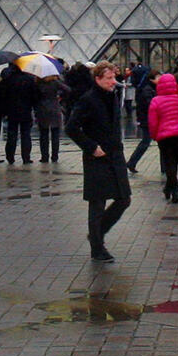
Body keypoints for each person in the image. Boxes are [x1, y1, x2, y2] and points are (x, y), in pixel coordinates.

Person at [65, 61, 131, 262]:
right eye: (109, 79)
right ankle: (97, 247)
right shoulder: (88, 100)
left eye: (114, 78)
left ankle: (97, 234)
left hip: (114, 154)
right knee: (97, 203)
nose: (114, 82)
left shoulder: (111, 96)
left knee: (124, 199)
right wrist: (91, 147)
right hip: (98, 157)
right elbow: (71, 128)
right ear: (97, 79)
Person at [148, 72, 178, 204]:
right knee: (175, 162)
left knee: (169, 163)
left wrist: (154, 135)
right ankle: (170, 188)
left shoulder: (155, 101)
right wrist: (177, 87)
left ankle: (174, 189)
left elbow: (152, 122)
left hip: (164, 137)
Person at [1, 62, 37, 165]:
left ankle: (10, 157)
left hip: (12, 111)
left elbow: (4, 95)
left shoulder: (8, 79)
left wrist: (5, 110)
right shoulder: (29, 79)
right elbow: (34, 96)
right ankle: (26, 157)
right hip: (25, 111)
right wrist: (33, 107)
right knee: (26, 135)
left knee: (12, 135)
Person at [125, 65, 156, 174]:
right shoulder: (147, 89)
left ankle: (132, 162)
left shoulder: (141, 87)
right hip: (148, 119)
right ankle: (132, 162)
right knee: (146, 141)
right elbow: (150, 105)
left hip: (144, 118)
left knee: (146, 141)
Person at [35, 72, 69, 163]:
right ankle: (55, 156)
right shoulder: (55, 82)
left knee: (43, 134)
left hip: (42, 109)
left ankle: (44, 157)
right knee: (55, 134)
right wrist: (60, 97)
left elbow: (34, 96)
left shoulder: (38, 83)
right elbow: (68, 90)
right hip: (54, 108)